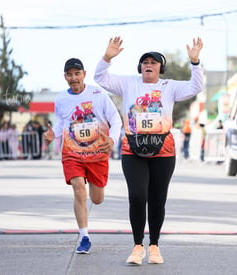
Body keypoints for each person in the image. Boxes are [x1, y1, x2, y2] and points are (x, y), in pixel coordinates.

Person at [94, 36, 204, 265]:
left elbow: (196, 86)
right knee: (137, 195)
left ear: (160, 68)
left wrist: (195, 62)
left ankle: (154, 246)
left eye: (154, 62)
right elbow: (100, 78)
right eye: (145, 62)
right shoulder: (128, 83)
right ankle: (137, 247)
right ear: (140, 67)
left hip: (163, 150)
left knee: (157, 199)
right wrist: (107, 58)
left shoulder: (169, 86)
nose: (149, 65)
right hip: (132, 149)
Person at [43, 57, 122, 254]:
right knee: (79, 189)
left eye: (77, 74)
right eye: (69, 75)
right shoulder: (61, 98)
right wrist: (54, 134)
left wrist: (112, 140)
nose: (73, 78)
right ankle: (84, 236)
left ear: (84, 75)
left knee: (96, 199)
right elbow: (61, 123)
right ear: (65, 77)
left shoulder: (98, 93)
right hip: (72, 153)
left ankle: (94, 201)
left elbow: (115, 119)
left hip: (97, 154)